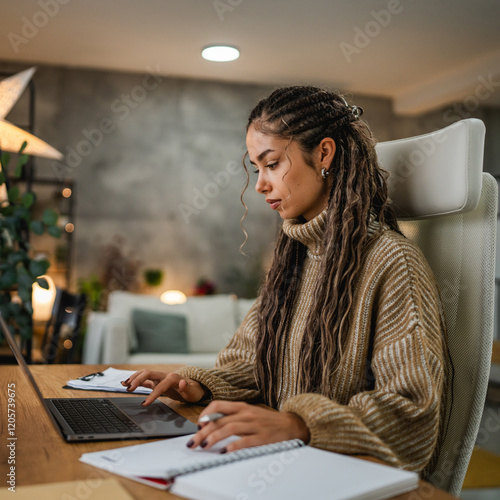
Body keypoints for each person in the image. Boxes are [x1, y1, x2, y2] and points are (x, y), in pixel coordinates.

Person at [122, 86, 449, 475]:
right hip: (285, 465)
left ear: (324, 153)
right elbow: (250, 362)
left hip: (339, 477)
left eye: (272, 164)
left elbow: (412, 414)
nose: (260, 184)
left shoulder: (393, 262)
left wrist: (301, 424)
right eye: (256, 168)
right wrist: (198, 384)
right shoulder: (294, 256)